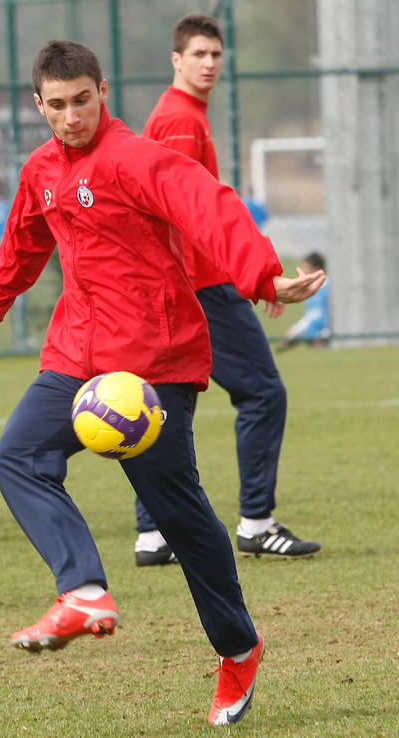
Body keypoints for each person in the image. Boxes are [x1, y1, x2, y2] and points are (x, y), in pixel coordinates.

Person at [0, 40, 325, 725]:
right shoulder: (40, 172)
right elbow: (23, 246)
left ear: (102, 91)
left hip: (152, 364)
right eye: (55, 105)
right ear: (39, 105)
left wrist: (263, 274)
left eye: (81, 100)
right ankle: (83, 589)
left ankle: (238, 648)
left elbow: (210, 206)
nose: (70, 116)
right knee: (18, 458)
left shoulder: (137, 159)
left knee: (179, 514)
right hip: (75, 358)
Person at [139, 14, 320, 566]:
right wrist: (255, 276)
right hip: (201, 285)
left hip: (190, 282)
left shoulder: (186, 115)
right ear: (176, 60)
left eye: (216, 54)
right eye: (198, 54)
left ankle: (153, 534)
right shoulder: (179, 122)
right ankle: (257, 523)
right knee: (263, 393)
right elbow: (196, 215)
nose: (209, 63)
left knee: (171, 399)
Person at [280, 252, 330, 350]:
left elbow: (321, 316)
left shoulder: (328, 289)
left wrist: (326, 334)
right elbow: (310, 317)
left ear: (317, 270)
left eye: (306, 268)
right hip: (313, 336)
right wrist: (294, 332)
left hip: (324, 337)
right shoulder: (310, 290)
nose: (302, 272)